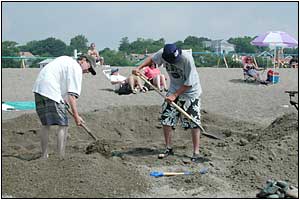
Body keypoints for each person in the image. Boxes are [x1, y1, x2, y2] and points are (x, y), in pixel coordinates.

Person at [133, 43, 202, 162]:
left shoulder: (187, 59)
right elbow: (151, 59)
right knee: (166, 119)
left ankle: (196, 152)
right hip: (174, 89)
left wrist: (175, 96)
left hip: (190, 92)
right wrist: (139, 68)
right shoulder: (162, 53)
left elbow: (189, 83)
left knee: (193, 122)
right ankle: (168, 148)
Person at [32, 54, 97, 159]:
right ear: (83, 60)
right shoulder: (76, 68)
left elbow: (60, 82)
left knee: (46, 125)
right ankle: (60, 156)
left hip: (39, 89)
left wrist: (63, 100)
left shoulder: (66, 60)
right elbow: (72, 96)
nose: (87, 71)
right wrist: (76, 117)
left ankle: (44, 155)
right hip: (51, 90)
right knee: (63, 125)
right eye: (89, 68)